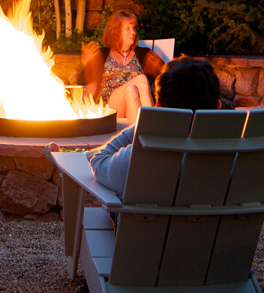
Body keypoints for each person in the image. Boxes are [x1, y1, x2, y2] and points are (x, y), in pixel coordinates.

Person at [86, 56, 222, 196]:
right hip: (211, 217)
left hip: (144, 217)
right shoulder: (233, 154)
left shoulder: (144, 153)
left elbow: (99, 161)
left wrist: (146, 122)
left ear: (158, 106)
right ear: (218, 106)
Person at [81, 10, 167, 122]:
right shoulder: (101, 54)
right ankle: (151, 125)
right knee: (140, 79)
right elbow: (86, 85)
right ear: (116, 31)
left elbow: (166, 75)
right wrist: (87, 64)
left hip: (135, 105)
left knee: (131, 90)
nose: (133, 32)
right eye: (127, 28)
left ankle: (136, 133)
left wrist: (152, 88)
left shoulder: (144, 54)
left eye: (134, 28)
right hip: (109, 109)